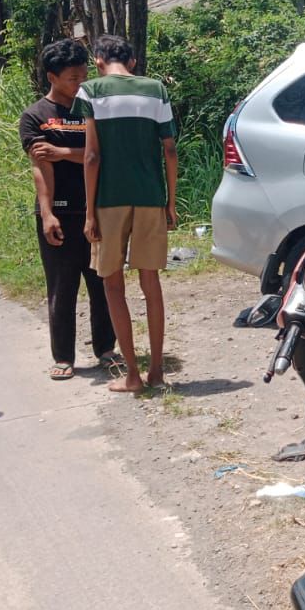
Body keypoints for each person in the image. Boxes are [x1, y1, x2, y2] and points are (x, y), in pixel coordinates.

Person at [77, 34, 179, 394]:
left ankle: (132, 376)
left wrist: (89, 212)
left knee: (112, 283)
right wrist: (170, 201)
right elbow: (169, 149)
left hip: (109, 201)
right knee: (150, 282)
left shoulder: (90, 91)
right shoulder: (156, 90)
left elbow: (92, 156)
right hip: (151, 197)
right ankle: (156, 372)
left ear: (99, 61)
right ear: (132, 61)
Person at [19, 39, 121, 381]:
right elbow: (39, 167)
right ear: (52, 77)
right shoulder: (36, 116)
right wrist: (47, 213)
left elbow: (101, 156)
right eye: (71, 78)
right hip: (60, 214)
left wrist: (63, 152)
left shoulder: (93, 109)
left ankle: (106, 348)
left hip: (98, 210)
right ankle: (63, 356)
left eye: (83, 75)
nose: (80, 83)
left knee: (102, 283)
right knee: (62, 289)